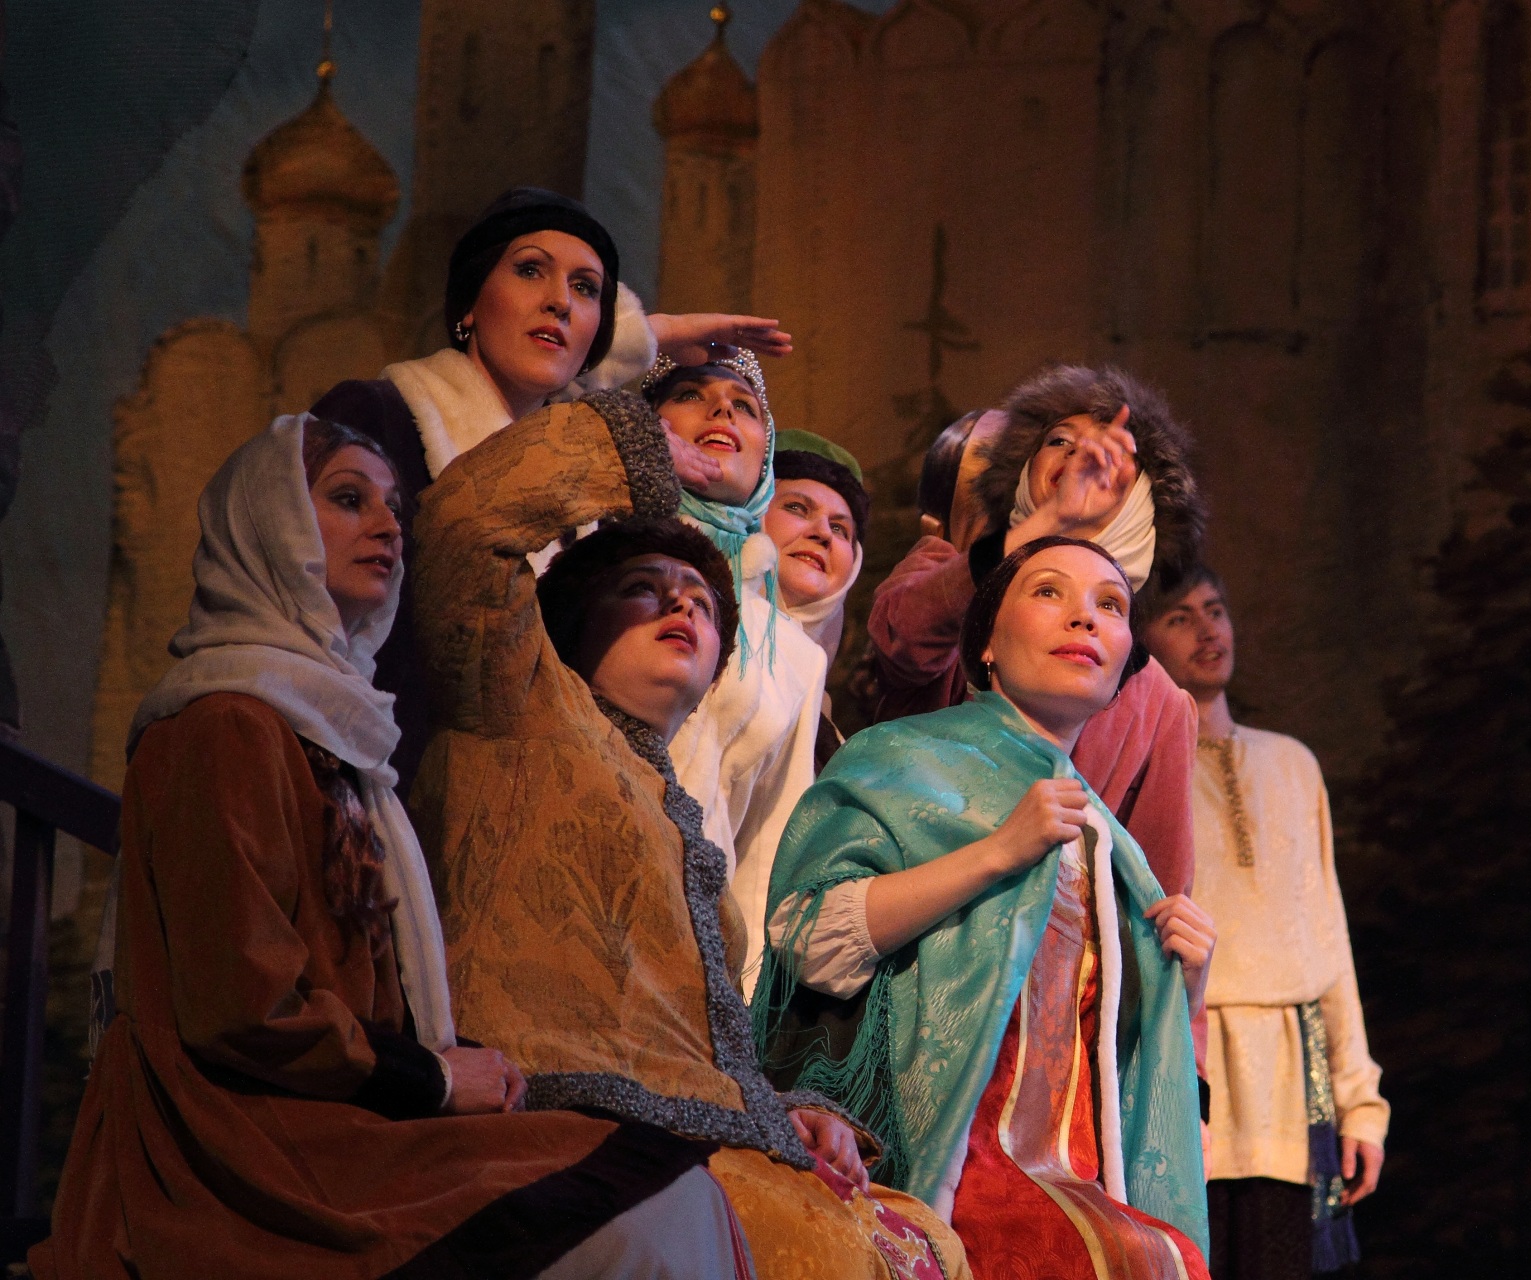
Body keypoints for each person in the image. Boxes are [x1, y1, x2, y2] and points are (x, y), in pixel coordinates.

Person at [34, 417, 748, 1280]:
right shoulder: (225, 723)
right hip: (255, 1144)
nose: (386, 525)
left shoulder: (344, 740)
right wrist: (433, 1079)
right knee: (659, 1213)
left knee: (684, 1201)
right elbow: (241, 1004)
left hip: (347, 1108)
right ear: (268, 523)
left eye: (391, 507)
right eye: (347, 499)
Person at [403, 387, 968, 1280]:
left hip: (661, 1149)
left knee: (914, 1237)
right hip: (546, 1134)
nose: (683, 606)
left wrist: (779, 1113)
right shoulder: (515, 708)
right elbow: (463, 527)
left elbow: (673, 1054)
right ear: (573, 625)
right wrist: (640, 446)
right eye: (644, 590)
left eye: (704, 602)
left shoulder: (678, 819)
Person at [758, 536, 1218, 1280]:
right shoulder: (899, 760)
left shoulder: (1112, 848)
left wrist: (1181, 988)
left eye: (1110, 605)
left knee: (1164, 1259)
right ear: (988, 646)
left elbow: (1097, 1073)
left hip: (1068, 1181)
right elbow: (808, 940)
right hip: (918, 1161)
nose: (1085, 618)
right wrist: (996, 852)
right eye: (1048, 591)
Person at [312, 185, 791, 790]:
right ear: (470, 303)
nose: (559, 302)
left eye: (586, 289)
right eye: (530, 270)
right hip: (372, 776)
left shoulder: (594, 501)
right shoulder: (379, 420)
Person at [863, 368, 1204, 904]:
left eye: (1110, 454)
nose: (1080, 457)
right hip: (909, 905)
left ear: (1143, 498)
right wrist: (1051, 522)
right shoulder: (949, 577)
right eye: (1059, 441)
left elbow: (1155, 892)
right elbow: (903, 637)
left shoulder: (1158, 702)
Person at [1141, 567, 1389, 1279]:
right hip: (1185, 1064)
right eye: (1180, 617)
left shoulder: (1291, 763)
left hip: (1287, 1072)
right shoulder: (1135, 767)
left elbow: (1328, 936)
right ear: (1144, 638)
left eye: (1215, 610)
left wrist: (1361, 1102)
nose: (1207, 629)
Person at [637, 353, 827, 991]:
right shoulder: (588, 557)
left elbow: (768, 850)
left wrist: (737, 1002)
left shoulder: (792, 652)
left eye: (744, 406)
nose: (722, 409)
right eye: (692, 394)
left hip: (694, 945)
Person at [761, 430, 868, 768]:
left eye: (840, 529)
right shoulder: (698, 645)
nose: (822, 533)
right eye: (797, 508)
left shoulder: (831, 741)